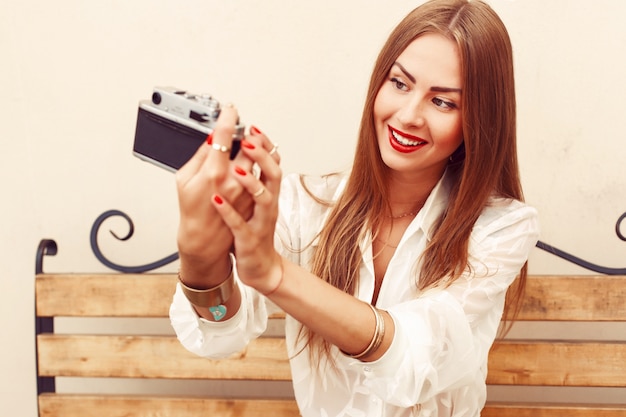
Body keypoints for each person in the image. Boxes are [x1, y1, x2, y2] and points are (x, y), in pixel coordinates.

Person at [169, 0, 540, 415]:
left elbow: (416, 360)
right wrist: (202, 262)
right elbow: (219, 336)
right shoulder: (304, 206)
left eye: (443, 102)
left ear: (480, 121)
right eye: (400, 83)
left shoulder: (502, 227)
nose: (408, 115)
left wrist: (276, 275)